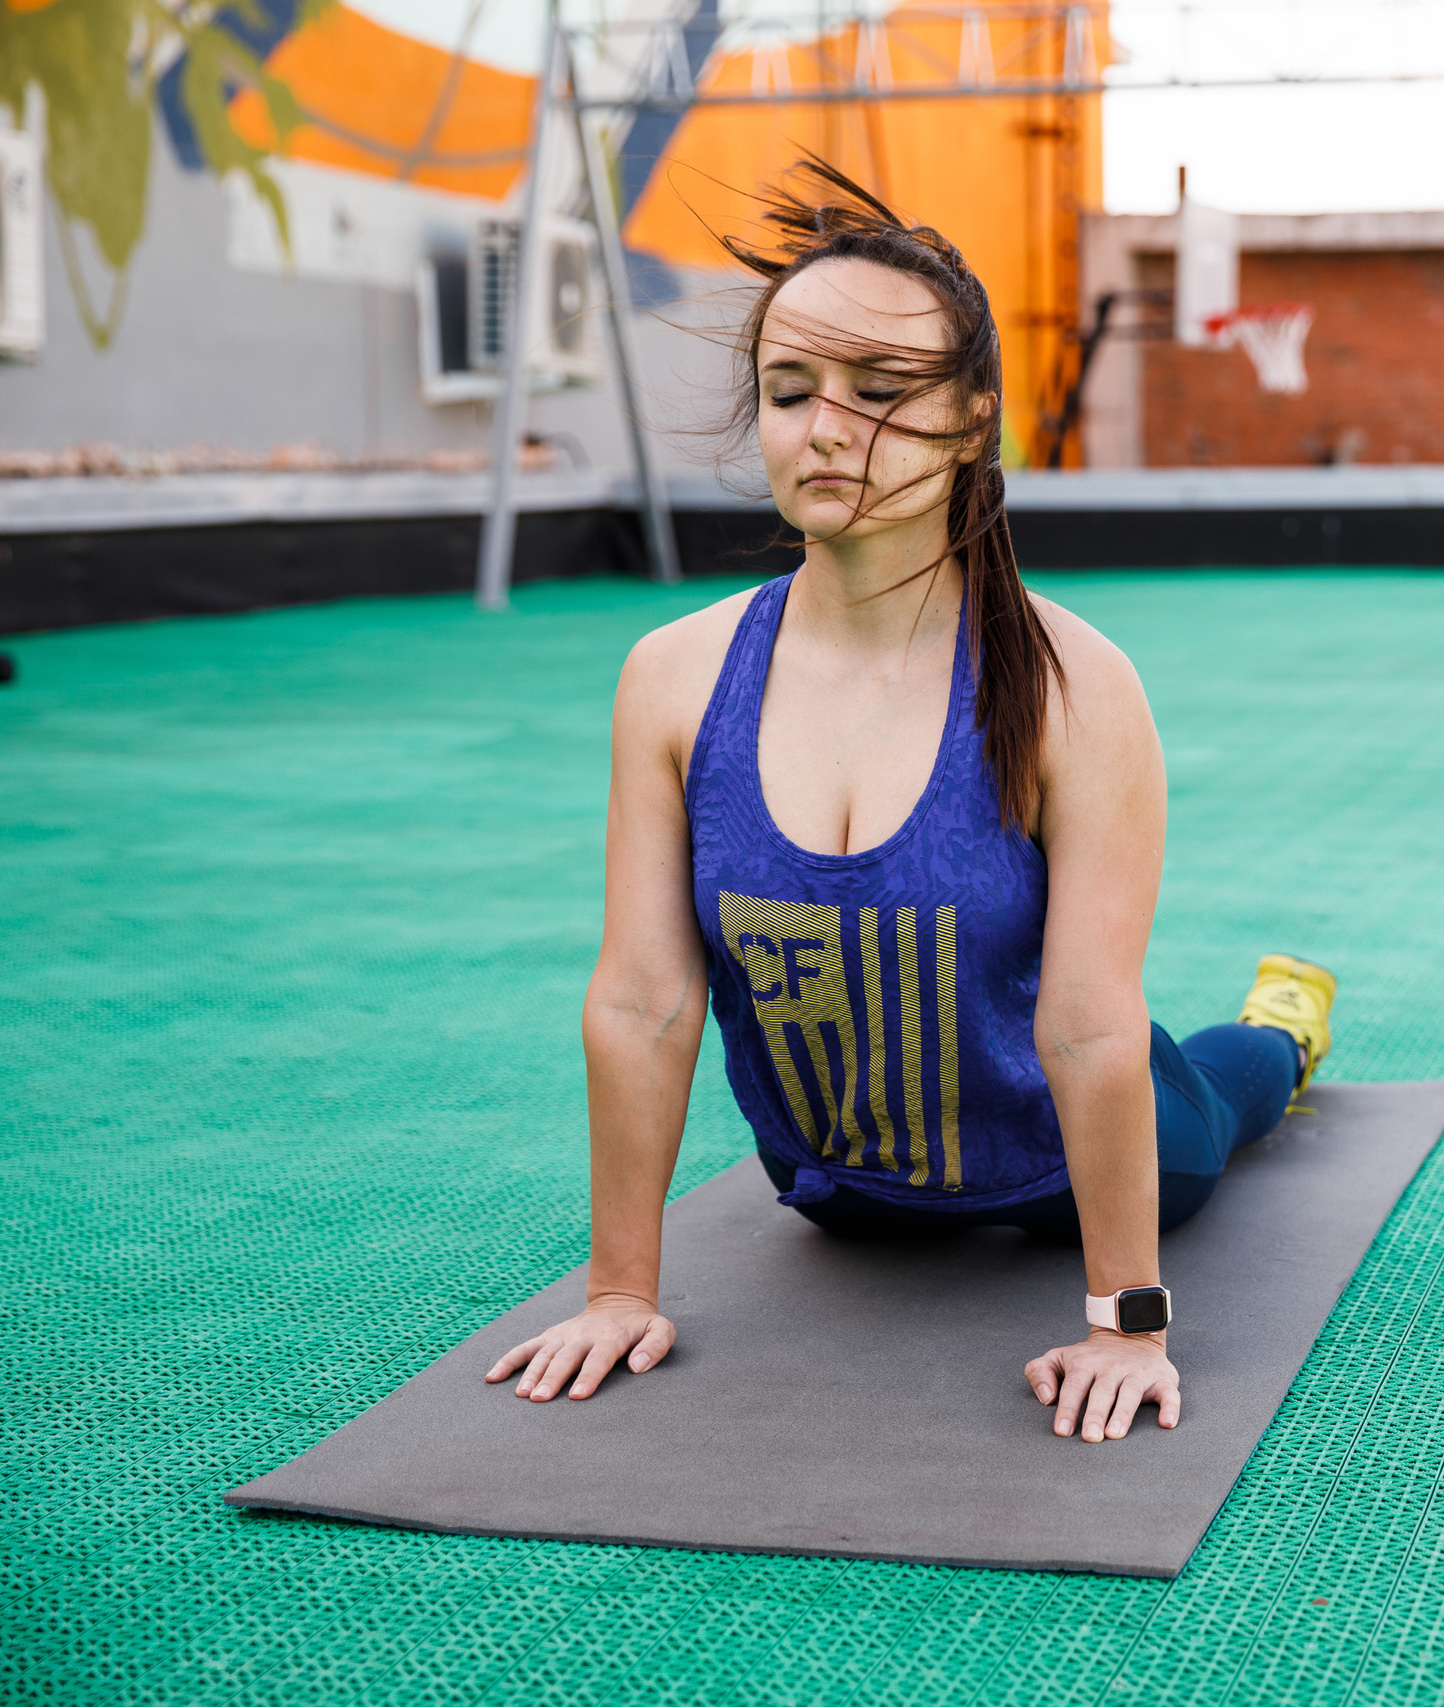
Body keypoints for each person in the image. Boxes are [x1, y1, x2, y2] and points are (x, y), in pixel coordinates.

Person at [483, 162, 1336, 1446]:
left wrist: (1126, 1319)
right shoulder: (673, 678)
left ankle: (1286, 1023)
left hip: (1072, 1159)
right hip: (843, 1186)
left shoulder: (1071, 686)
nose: (824, 428)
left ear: (971, 419)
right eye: (788, 392)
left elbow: (1093, 1027)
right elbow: (643, 997)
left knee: (1223, 1091)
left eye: (878, 395)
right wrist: (618, 1292)